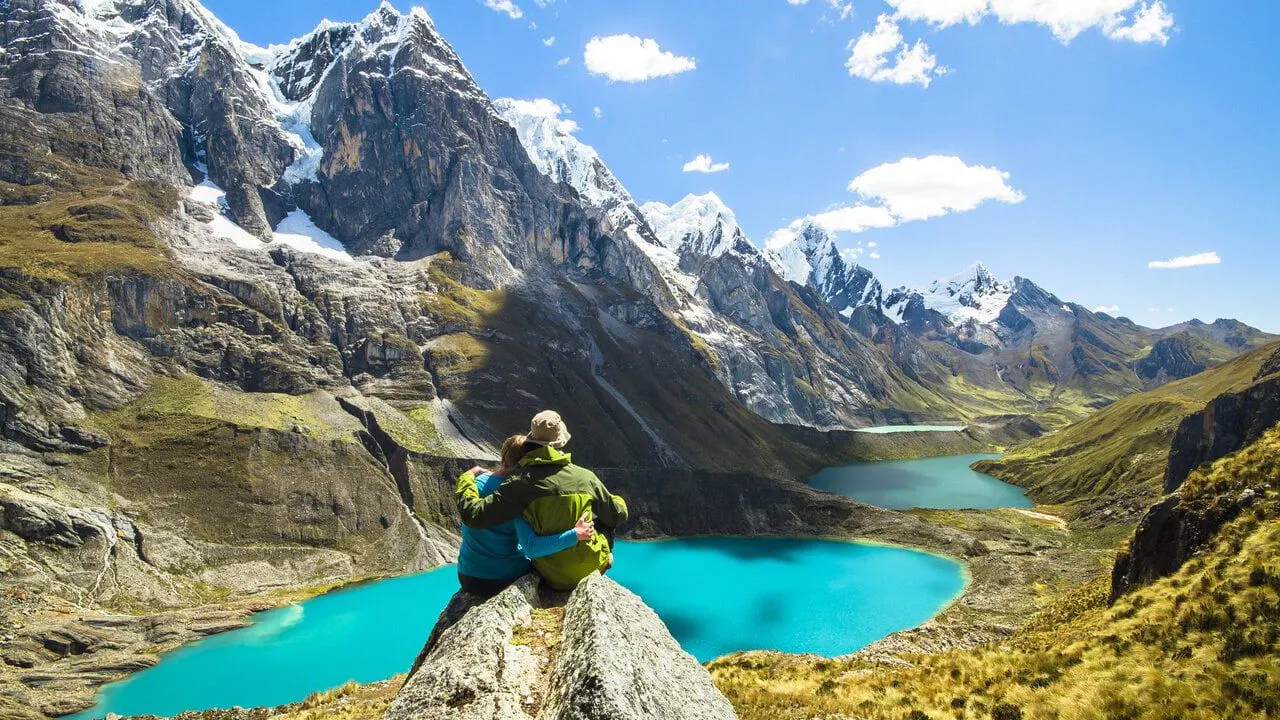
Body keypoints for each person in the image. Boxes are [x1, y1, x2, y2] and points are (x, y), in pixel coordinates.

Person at [456, 410, 629, 591]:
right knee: (606, 520)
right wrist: (614, 500)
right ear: (561, 442)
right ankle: (602, 559)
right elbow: (618, 515)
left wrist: (466, 477)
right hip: (583, 564)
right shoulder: (586, 477)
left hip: (541, 574)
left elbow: (475, 515)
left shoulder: (518, 484)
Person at [456, 434, 596, 598]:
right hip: (500, 578)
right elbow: (532, 547)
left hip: (466, 576)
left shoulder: (477, 481)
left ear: (503, 456)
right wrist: (575, 534)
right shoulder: (518, 493)